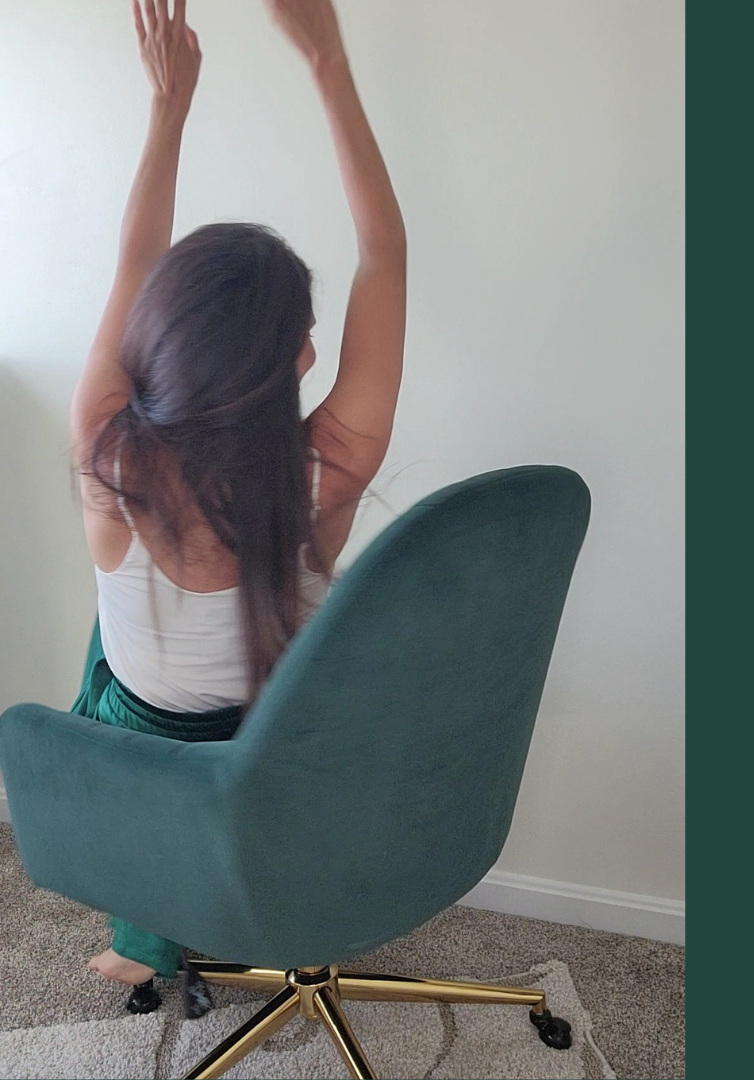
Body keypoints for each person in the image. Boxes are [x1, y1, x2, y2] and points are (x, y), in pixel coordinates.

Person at [68, 0, 405, 1013]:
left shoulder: (108, 457)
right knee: (180, 664)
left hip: (145, 751)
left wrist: (168, 106)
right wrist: (327, 61)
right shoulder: (328, 470)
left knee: (113, 654)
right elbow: (383, 254)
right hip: (272, 744)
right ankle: (236, 883)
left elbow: (135, 263)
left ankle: (147, 916)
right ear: (300, 359)